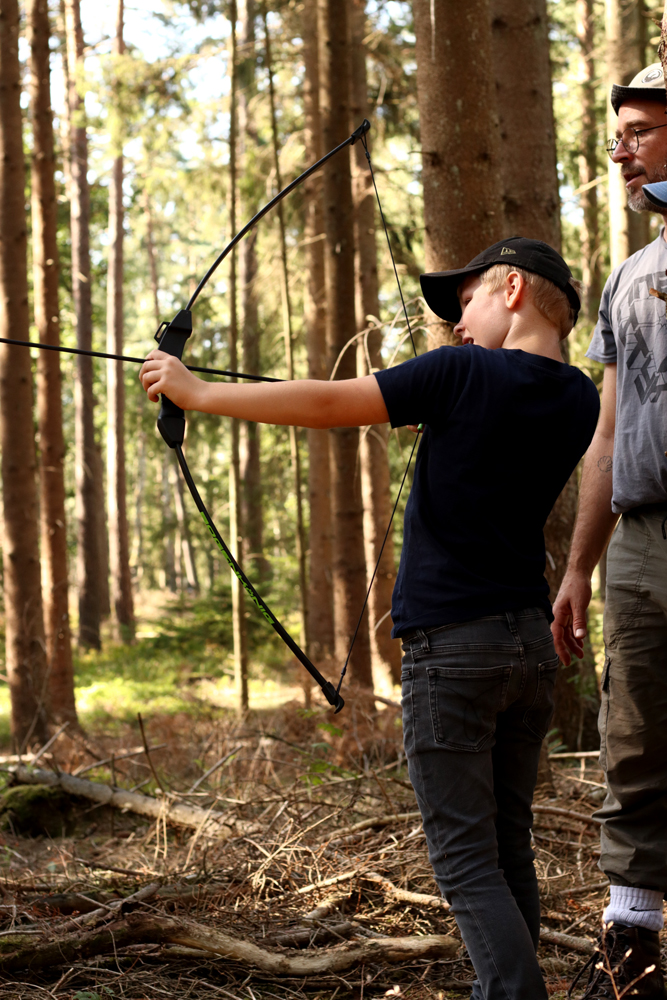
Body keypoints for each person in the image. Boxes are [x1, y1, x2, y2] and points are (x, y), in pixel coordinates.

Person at [140, 236, 599, 1000]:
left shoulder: (458, 373)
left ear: (512, 289)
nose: (456, 326)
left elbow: (327, 403)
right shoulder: (578, 396)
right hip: (525, 649)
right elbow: (493, 427)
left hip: (453, 649)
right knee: (505, 847)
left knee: (461, 859)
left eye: (468, 303)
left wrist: (198, 390)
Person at [552, 63, 667, 1000]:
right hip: (640, 540)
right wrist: (579, 567)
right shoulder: (627, 275)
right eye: (616, 136)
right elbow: (605, 430)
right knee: (632, 741)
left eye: (640, 133)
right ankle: (630, 952)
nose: (620, 153)